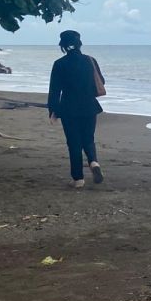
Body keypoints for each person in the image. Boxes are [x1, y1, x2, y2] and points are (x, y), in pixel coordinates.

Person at [47, 30, 105, 189]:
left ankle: (78, 179)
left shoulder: (59, 64)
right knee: (88, 138)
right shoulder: (90, 60)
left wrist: (53, 111)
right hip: (89, 106)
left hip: (68, 108)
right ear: (79, 43)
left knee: (73, 142)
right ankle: (93, 162)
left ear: (63, 45)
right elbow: (101, 82)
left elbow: (54, 90)